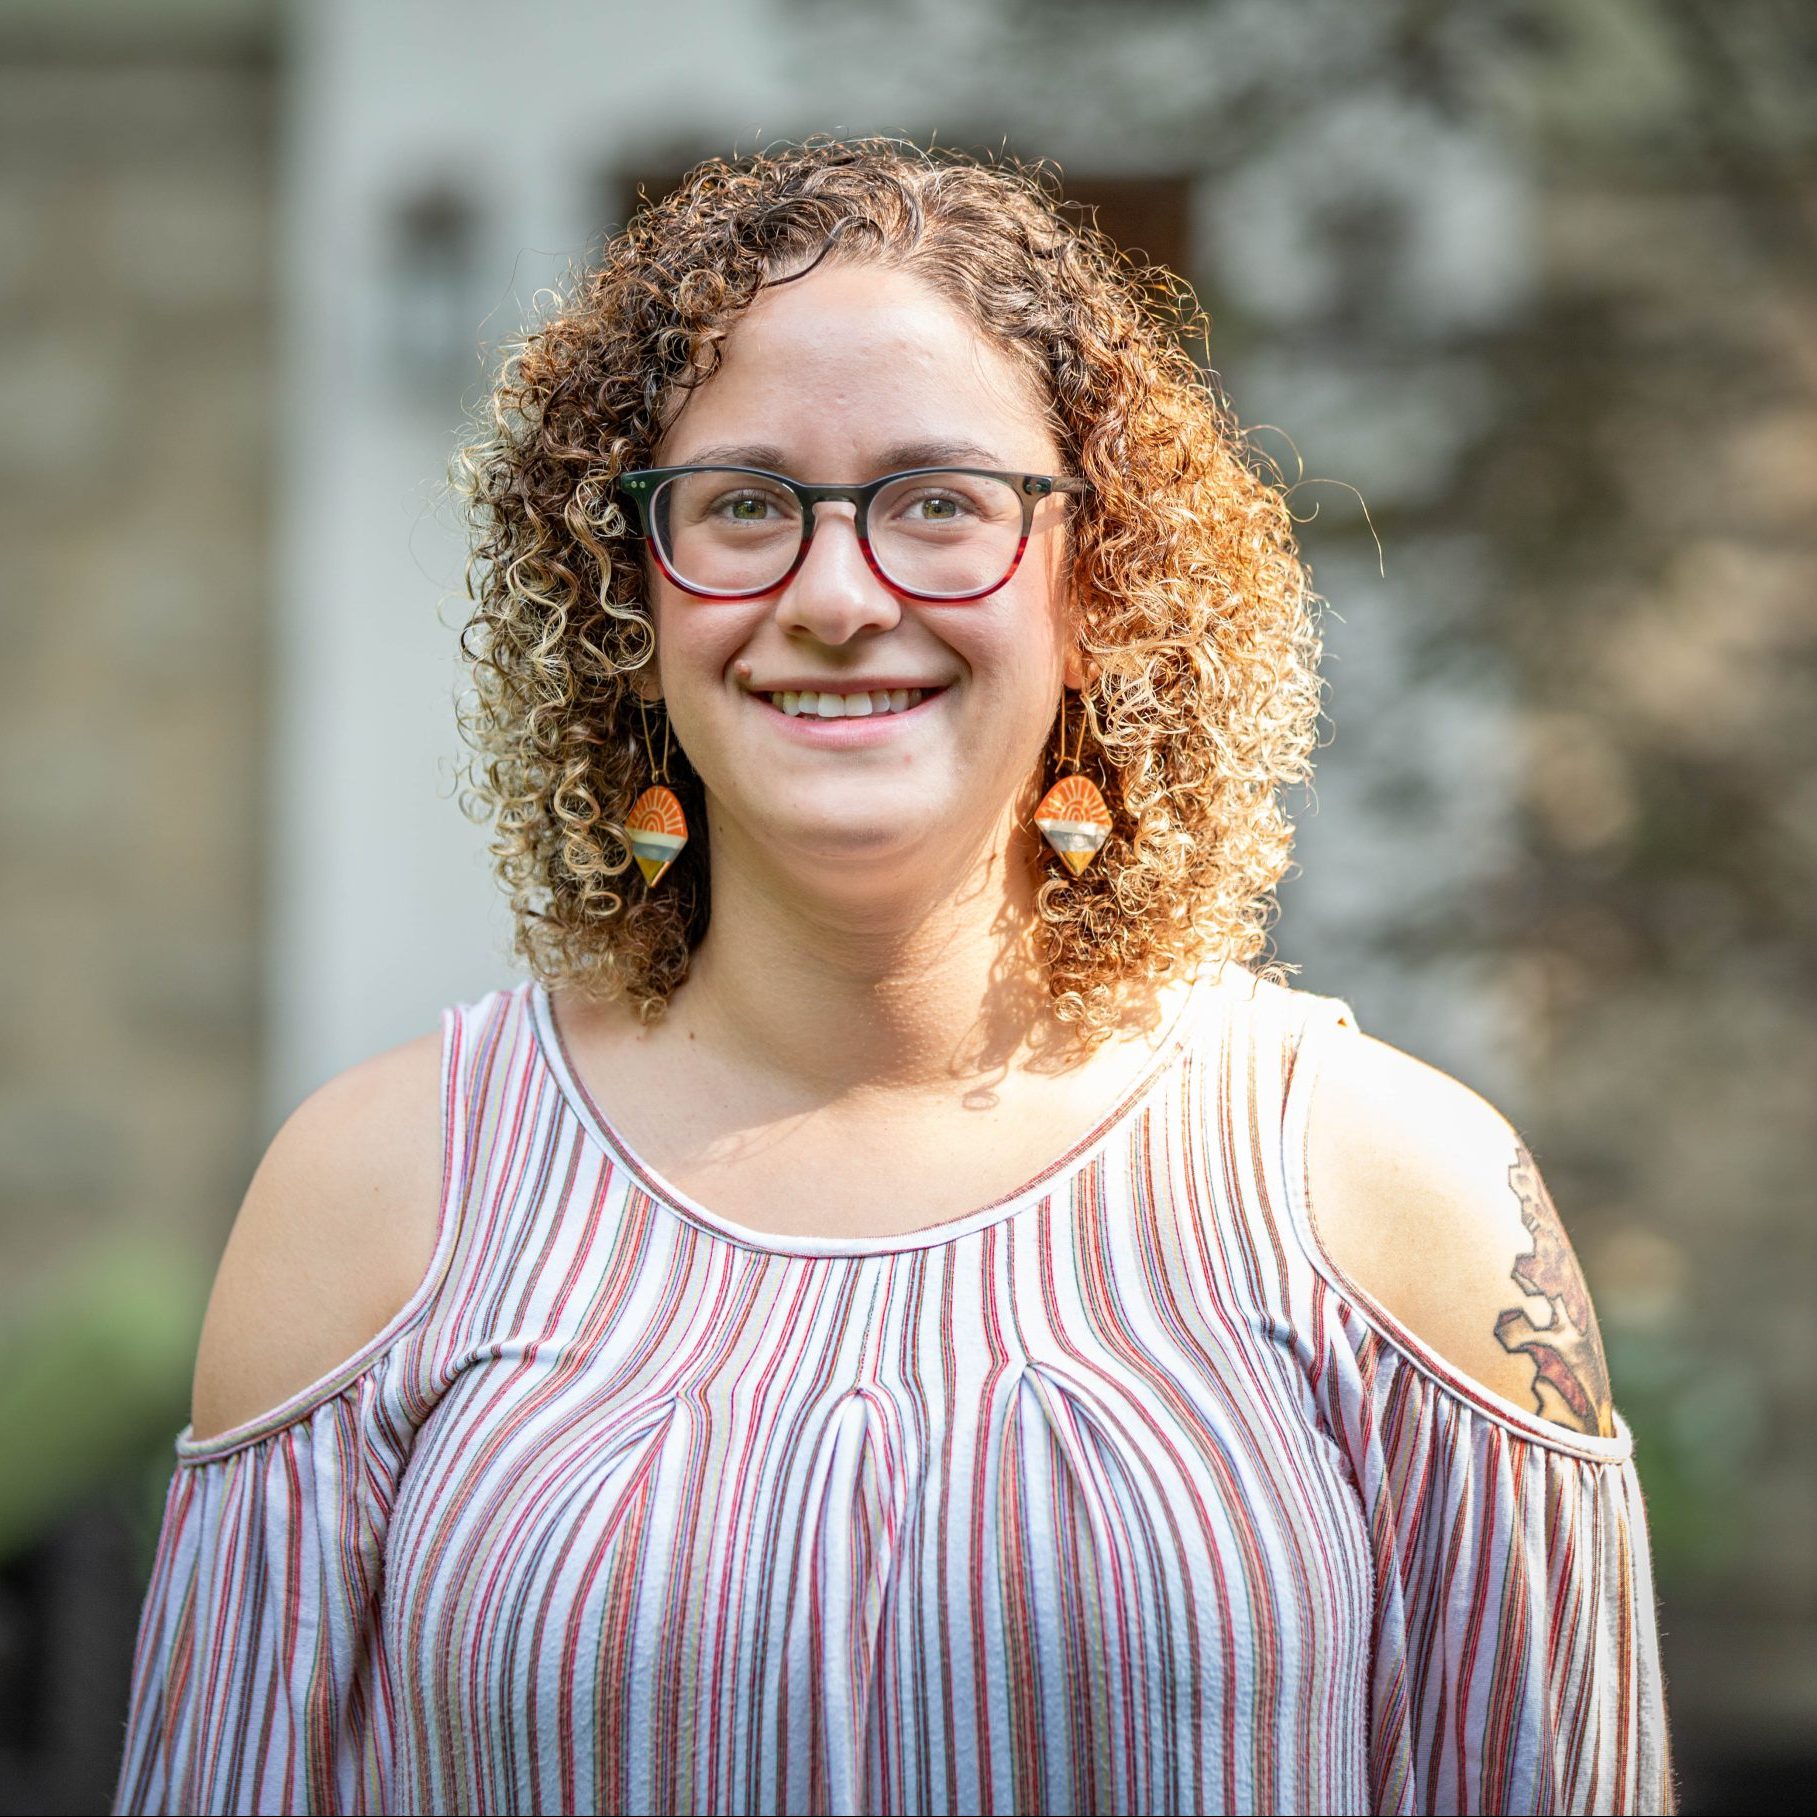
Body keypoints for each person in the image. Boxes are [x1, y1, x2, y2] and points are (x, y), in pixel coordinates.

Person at [112, 138, 1673, 1815]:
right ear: (624, 596)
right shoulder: (378, 1199)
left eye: (940, 502)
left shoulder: (1398, 1199)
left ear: (1097, 580)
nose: (837, 595)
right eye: (742, 505)